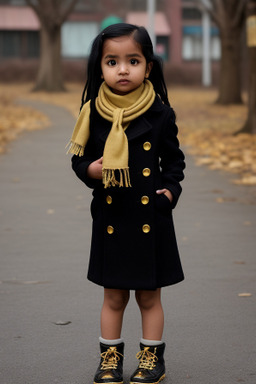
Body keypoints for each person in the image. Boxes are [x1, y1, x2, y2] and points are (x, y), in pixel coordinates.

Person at [67, 23, 185, 384]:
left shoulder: (161, 114)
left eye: (133, 60)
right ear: (99, 67)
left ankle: (151, 358)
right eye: (112, 61)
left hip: (152, 216)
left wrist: (169, 192)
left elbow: (174, 161)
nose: (122, 69)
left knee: (149, 298)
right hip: (112, 216)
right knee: (114, 295)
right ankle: (110, 359)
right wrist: (89, 168)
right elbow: (77, 158)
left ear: (148, 67)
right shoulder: (93, 112)